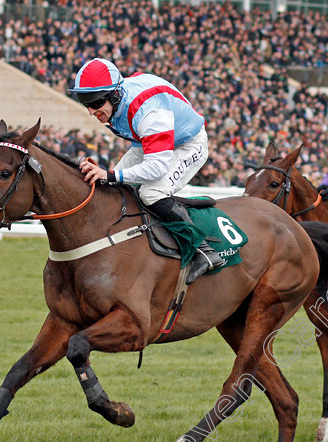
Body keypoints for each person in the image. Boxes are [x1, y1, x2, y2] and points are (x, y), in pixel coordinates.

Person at [69, 58, 222, 284]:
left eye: (96, 103)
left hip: (188, 144)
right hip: (149, 142)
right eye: (86, 103)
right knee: (109, 186)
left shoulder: (148, 112)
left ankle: (203, 249)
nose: (91, 111)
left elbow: (157, 167)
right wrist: (108, 177)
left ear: (115, 95)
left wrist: (111, 174)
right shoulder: (116, 100)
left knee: (150, 193)